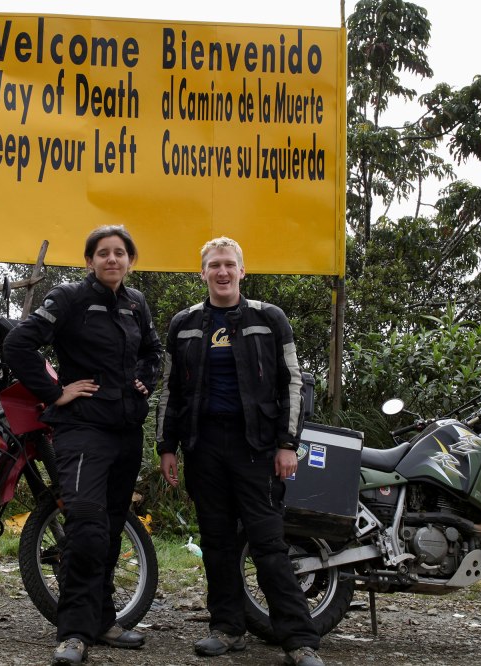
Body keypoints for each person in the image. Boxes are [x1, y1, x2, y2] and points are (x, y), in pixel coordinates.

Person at [155, 237, 324, 666]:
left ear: (242, 272)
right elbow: (170, 391)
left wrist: (288, 445)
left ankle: (299, 641)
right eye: (214, 265)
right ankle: (227, 628)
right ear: (203, 274)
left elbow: (292, 384)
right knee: (217, 542)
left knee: (268, 544)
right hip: (203, 447)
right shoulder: (184, 323)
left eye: (230, 264)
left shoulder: (270, 318)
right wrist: (167, 447)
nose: (222, 272)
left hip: (257, 449)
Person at [3, 225, 162, 666]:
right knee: (87, 528)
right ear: (90, 260)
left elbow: (154, 353)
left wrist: (145, 382)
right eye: (103, 253)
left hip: (126, 431)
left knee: (110, 529)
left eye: (120, 253)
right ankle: (73, 632)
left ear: (130, 260)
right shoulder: (69, 298)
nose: (112, 259)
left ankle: (104, 620)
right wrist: (55, 394)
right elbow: (19, 343)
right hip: (82, 430)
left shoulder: (136, 303)